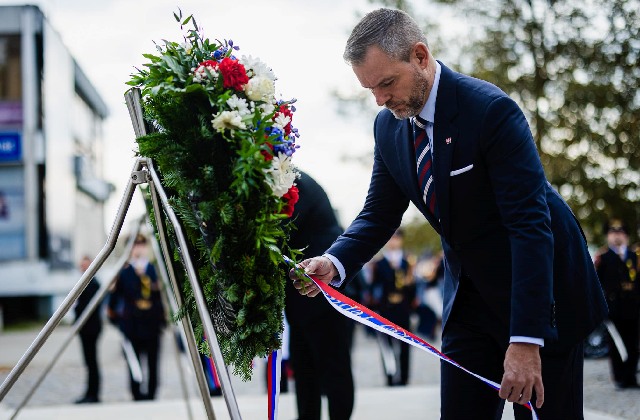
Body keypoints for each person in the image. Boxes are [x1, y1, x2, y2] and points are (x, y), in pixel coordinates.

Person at [290, 8, 608, 419]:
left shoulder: (491, 111)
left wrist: (527, 340)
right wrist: (334, 262)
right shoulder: (387, 127)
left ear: (420, 56)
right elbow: (379, 213)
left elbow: (529, 227)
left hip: (541, 295)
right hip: (468, 304)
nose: (381, 100)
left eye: (387, 83)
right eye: (370, 89)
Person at [285, 171, 354, 420]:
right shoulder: (289, 177)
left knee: (333, 372)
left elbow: (282, 232)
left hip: (326, 295)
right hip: (301, 298)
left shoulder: (290, 182)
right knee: (305, 373)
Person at [107, 234, 166, 401]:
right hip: (132, 324)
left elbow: (163, 297)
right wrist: (117, 322)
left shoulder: (155, 270)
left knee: (153, 362)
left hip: (152, 323)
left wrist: (163, 320)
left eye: (141, 244)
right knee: (134, 362)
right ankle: (137, 394)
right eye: (134, 245)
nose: (138, 248)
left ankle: (152, 393)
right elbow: (114, 299)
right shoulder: (124, 272)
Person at [595, 220, 639, 389]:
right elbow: (597, 283)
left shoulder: (635, 256)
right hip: (613, 309)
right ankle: (620, 377)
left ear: (626, 235)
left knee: (632, 344)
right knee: (616, 344)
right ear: (608, 236)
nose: (616, 235)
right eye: (613, 233)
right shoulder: (603, 258)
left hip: (633, 308)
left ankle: (631, 377)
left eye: (620, 232)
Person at [370, 229, 416, 386]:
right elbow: (374, 287)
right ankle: (389, 376)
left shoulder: (407, 262)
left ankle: (404, 377)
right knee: (386, 345)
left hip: (403, 308)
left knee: (405, 344)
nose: (393, 242)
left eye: (396, 238)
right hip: (385, 308)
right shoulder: (379, 263)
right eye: (390, 239)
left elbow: (412, 289)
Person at [74, 255, 103, 404]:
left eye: (85, 266)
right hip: (85, 329)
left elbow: (88, 308)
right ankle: (90, 392)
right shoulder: (85, 283)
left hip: (90, 329)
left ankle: (93, 394)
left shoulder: (93, 284)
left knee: (92, 362)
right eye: (82, 266)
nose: (83, 269)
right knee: (89, 362)